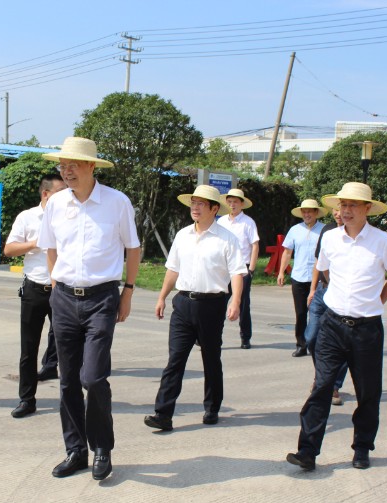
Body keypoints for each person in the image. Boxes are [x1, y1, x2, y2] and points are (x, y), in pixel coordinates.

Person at [38, 136, 141, 481]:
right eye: (62, 165)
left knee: (93, 378)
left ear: (91, 166)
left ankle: (102, 448)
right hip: (64, 298)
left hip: (102, 299)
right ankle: (76, 451)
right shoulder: (56, 203)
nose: (66, 171)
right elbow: (50, 248)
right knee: (67, 380)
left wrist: (127, 292)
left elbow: (133, 248)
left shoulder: (117, 202)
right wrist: (55, 284)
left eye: (73, 165)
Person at [287, 182, 387, 472]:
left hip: (367, 329)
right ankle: (307, 451)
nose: (346, 210)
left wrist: (377, 300)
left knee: (368, 392)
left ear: (367, 209)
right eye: (343, 205)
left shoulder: (383, 241)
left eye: (353, 205)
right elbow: (324, 268)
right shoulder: (330, 238)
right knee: (322, 386)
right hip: (332, 324)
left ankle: (362, 448)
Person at [144, 185, 244, 432]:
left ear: (214, 209)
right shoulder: (183, 235)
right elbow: (173, 269)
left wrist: (236, 301)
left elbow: (237, 273)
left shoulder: (227, 239)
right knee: (175, 360)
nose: (195, 208)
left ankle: (212, 407)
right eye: (193, 203)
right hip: (183, 304)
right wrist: (162, 297)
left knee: (211, 359)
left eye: (201, 203)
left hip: (211, 305)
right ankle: (163, 414)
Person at [4, 174, 67, 418]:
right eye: (60, 191)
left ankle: (70, 400)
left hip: (63, 290)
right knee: (28, 349)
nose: (66, 196)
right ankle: (27, 400)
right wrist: (33, 243)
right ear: (45, 194)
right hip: (34, 289)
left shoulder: (70, 216)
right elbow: (9, 249)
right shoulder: (27, 217)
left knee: (69, 347)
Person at [304, 206, 348, 406]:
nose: (338, 213)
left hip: (341, 295)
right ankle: (322, 376)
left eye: (342, 209)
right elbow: (318, 262)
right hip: (322, 291)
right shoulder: (327, 231)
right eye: (336, 210)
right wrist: (313, 289)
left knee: (341, 342)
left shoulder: (359, 235)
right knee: (312, 337)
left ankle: (333, 385)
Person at [277, 200, 327, 357]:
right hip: (298, 277)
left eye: (310, 211)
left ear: (316, 212)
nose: (307, 214)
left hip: (318, 278)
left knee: (318, 313)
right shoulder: (295, 230)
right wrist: (281, 272)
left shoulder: (324, 230)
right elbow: (287, 252)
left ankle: (317, 344)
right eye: (304, 212)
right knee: (300, 313)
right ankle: (301, 344)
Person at [217, 188, 259, 349]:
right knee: (219, 302)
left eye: (235, 202)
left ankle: (245, 337)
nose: (232, 205)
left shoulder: (248, 222)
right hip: (224, 267)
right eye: (229, 202)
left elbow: (255, 245)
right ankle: (214, 336)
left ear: (242, 204)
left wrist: (251, 270)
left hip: (242, 268)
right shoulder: (221, 221)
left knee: (243, 303)